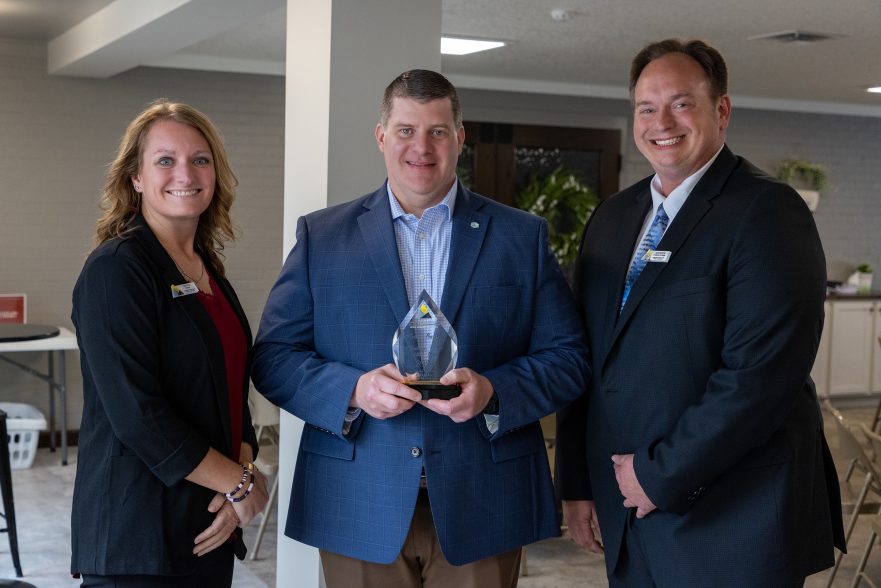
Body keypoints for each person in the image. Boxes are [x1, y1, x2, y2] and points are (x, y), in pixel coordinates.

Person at [252, 69, 589, 588]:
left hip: (484, 498)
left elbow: (568, 358)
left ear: (460, 137)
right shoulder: (322, 236)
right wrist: (355, 391)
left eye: (437, 131)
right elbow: (274, 356)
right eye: (406, 130)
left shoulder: (520, 237)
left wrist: (495, 391)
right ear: (381, 135)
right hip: (357, 498)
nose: (421, 147)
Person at [555, 39, 846, 587]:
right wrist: (577, 480)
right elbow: (586, 357)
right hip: (628, 510)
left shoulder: (767, 213)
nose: (661, 121)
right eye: (646, 107)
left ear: (722, 110)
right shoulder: (614, 218)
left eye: (681, 103)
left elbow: (758, 379)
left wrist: (656, 475)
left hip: (734, 518)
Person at [70, 100, 269, 587]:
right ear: (135, 178)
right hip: (138, 538)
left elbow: (228, 386)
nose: (186, 172)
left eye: (201, 159)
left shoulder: (206, 269)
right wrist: (242, 484)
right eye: (165, 160)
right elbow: (137, 414)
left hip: (204, 524)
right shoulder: (117, 269)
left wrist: (240, 471)